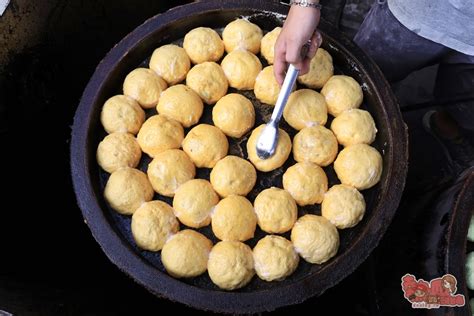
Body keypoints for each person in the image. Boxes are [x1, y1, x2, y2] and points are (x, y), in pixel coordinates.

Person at [274, 0, 474, 170]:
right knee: (371, 80)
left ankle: (444, 127)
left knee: (462, 104)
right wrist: (305, 4)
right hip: (414, 15)